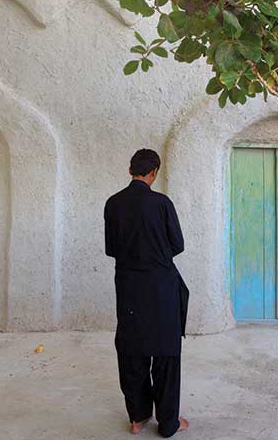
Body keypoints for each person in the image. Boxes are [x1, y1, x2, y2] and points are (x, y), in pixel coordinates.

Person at [104, 148, 190, 437]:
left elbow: (111, 249)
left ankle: (138, 417)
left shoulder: (113, 203)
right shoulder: (162, 203)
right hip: (161, 287)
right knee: (166, 353)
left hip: (129, 287)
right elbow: (177, 244)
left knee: (132, 350)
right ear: (153, 172)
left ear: (130, 170)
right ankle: (168, 423)